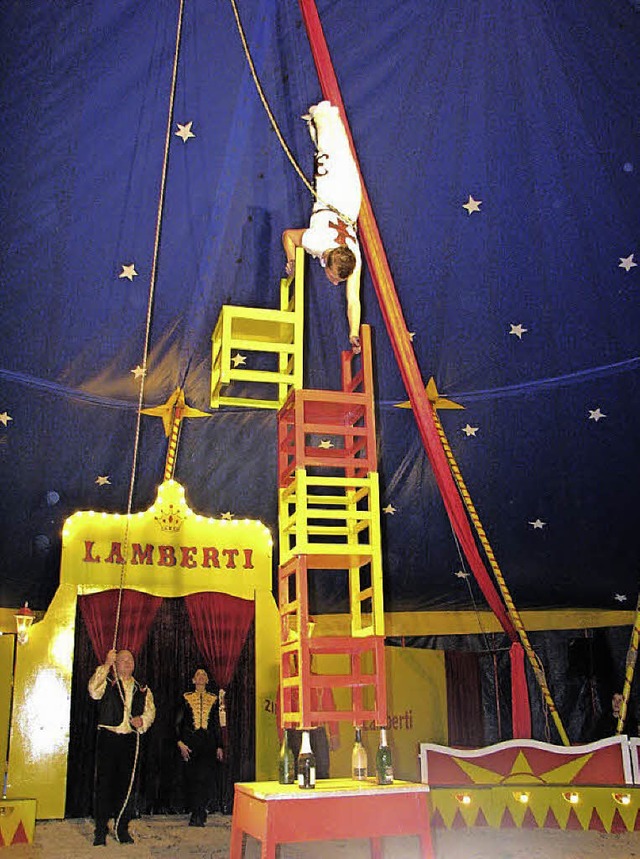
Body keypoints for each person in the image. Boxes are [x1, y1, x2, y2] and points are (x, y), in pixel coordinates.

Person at [282, 100, 363, 353]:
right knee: (329, 154)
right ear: (327, 262)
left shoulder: (353, 259)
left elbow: (353, 300)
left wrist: (353, 332)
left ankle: (326, 119)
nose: (337, 284)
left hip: (349, 204)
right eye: (334, 278)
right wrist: (292, 260)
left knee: (342, 156)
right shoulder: (317, 242)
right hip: (339, 200)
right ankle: (322, 113)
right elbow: (288, 236)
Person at [88, 648, 155, 846]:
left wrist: (142, 721)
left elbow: (150, 711)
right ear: (116, 664)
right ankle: (100, 830)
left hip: (129, 741)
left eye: (130, 660)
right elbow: (92, 690)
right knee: (104, 785)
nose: (127, 663)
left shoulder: (142, 688)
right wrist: (106, 664)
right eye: (123, 660)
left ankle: (121, 828)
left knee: (126, 787)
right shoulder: (108, 683)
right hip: (108, 738)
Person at [176, 668, 224, 826]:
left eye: (204, 675)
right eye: (198, 675)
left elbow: (217, 724)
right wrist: (179, 742)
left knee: (205, 778)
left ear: (208, 680)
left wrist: (219, 745)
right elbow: (178, 722)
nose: (201, 677)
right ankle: (195, 812)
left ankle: (201, 811)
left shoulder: (214, 698)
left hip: (208, 742)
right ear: (193, 680)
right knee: (193, 778)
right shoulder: (185, 697)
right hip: (191, 741)